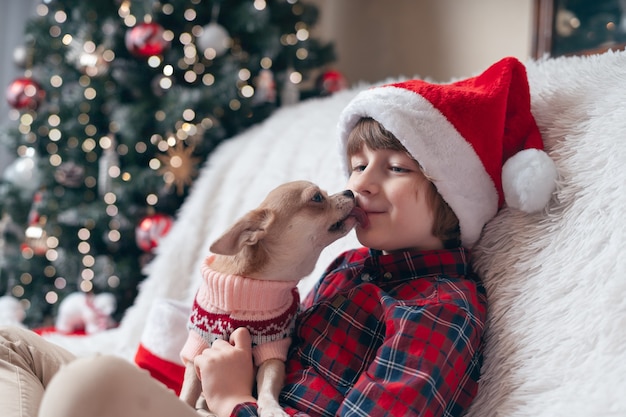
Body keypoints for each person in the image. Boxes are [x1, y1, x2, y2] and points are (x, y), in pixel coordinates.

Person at [0, 56, 557, 417]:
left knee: (89, 386)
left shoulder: (440, 309)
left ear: (452, 196)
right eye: (358, 163)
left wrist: (233, 400)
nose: (361, 181)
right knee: (8, 342)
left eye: (395, 167)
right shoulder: (349, 269)